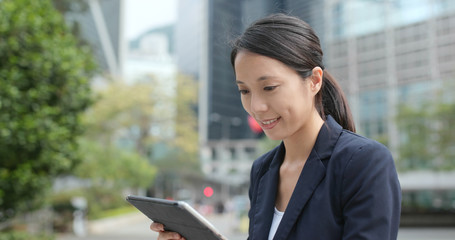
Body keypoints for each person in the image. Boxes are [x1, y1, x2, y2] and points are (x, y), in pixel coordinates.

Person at [150, 13, 401, 240]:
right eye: (244, 91)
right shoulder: (263, 170)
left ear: (314, 81)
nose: (256, 106)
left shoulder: (363, 162)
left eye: (269, 87)